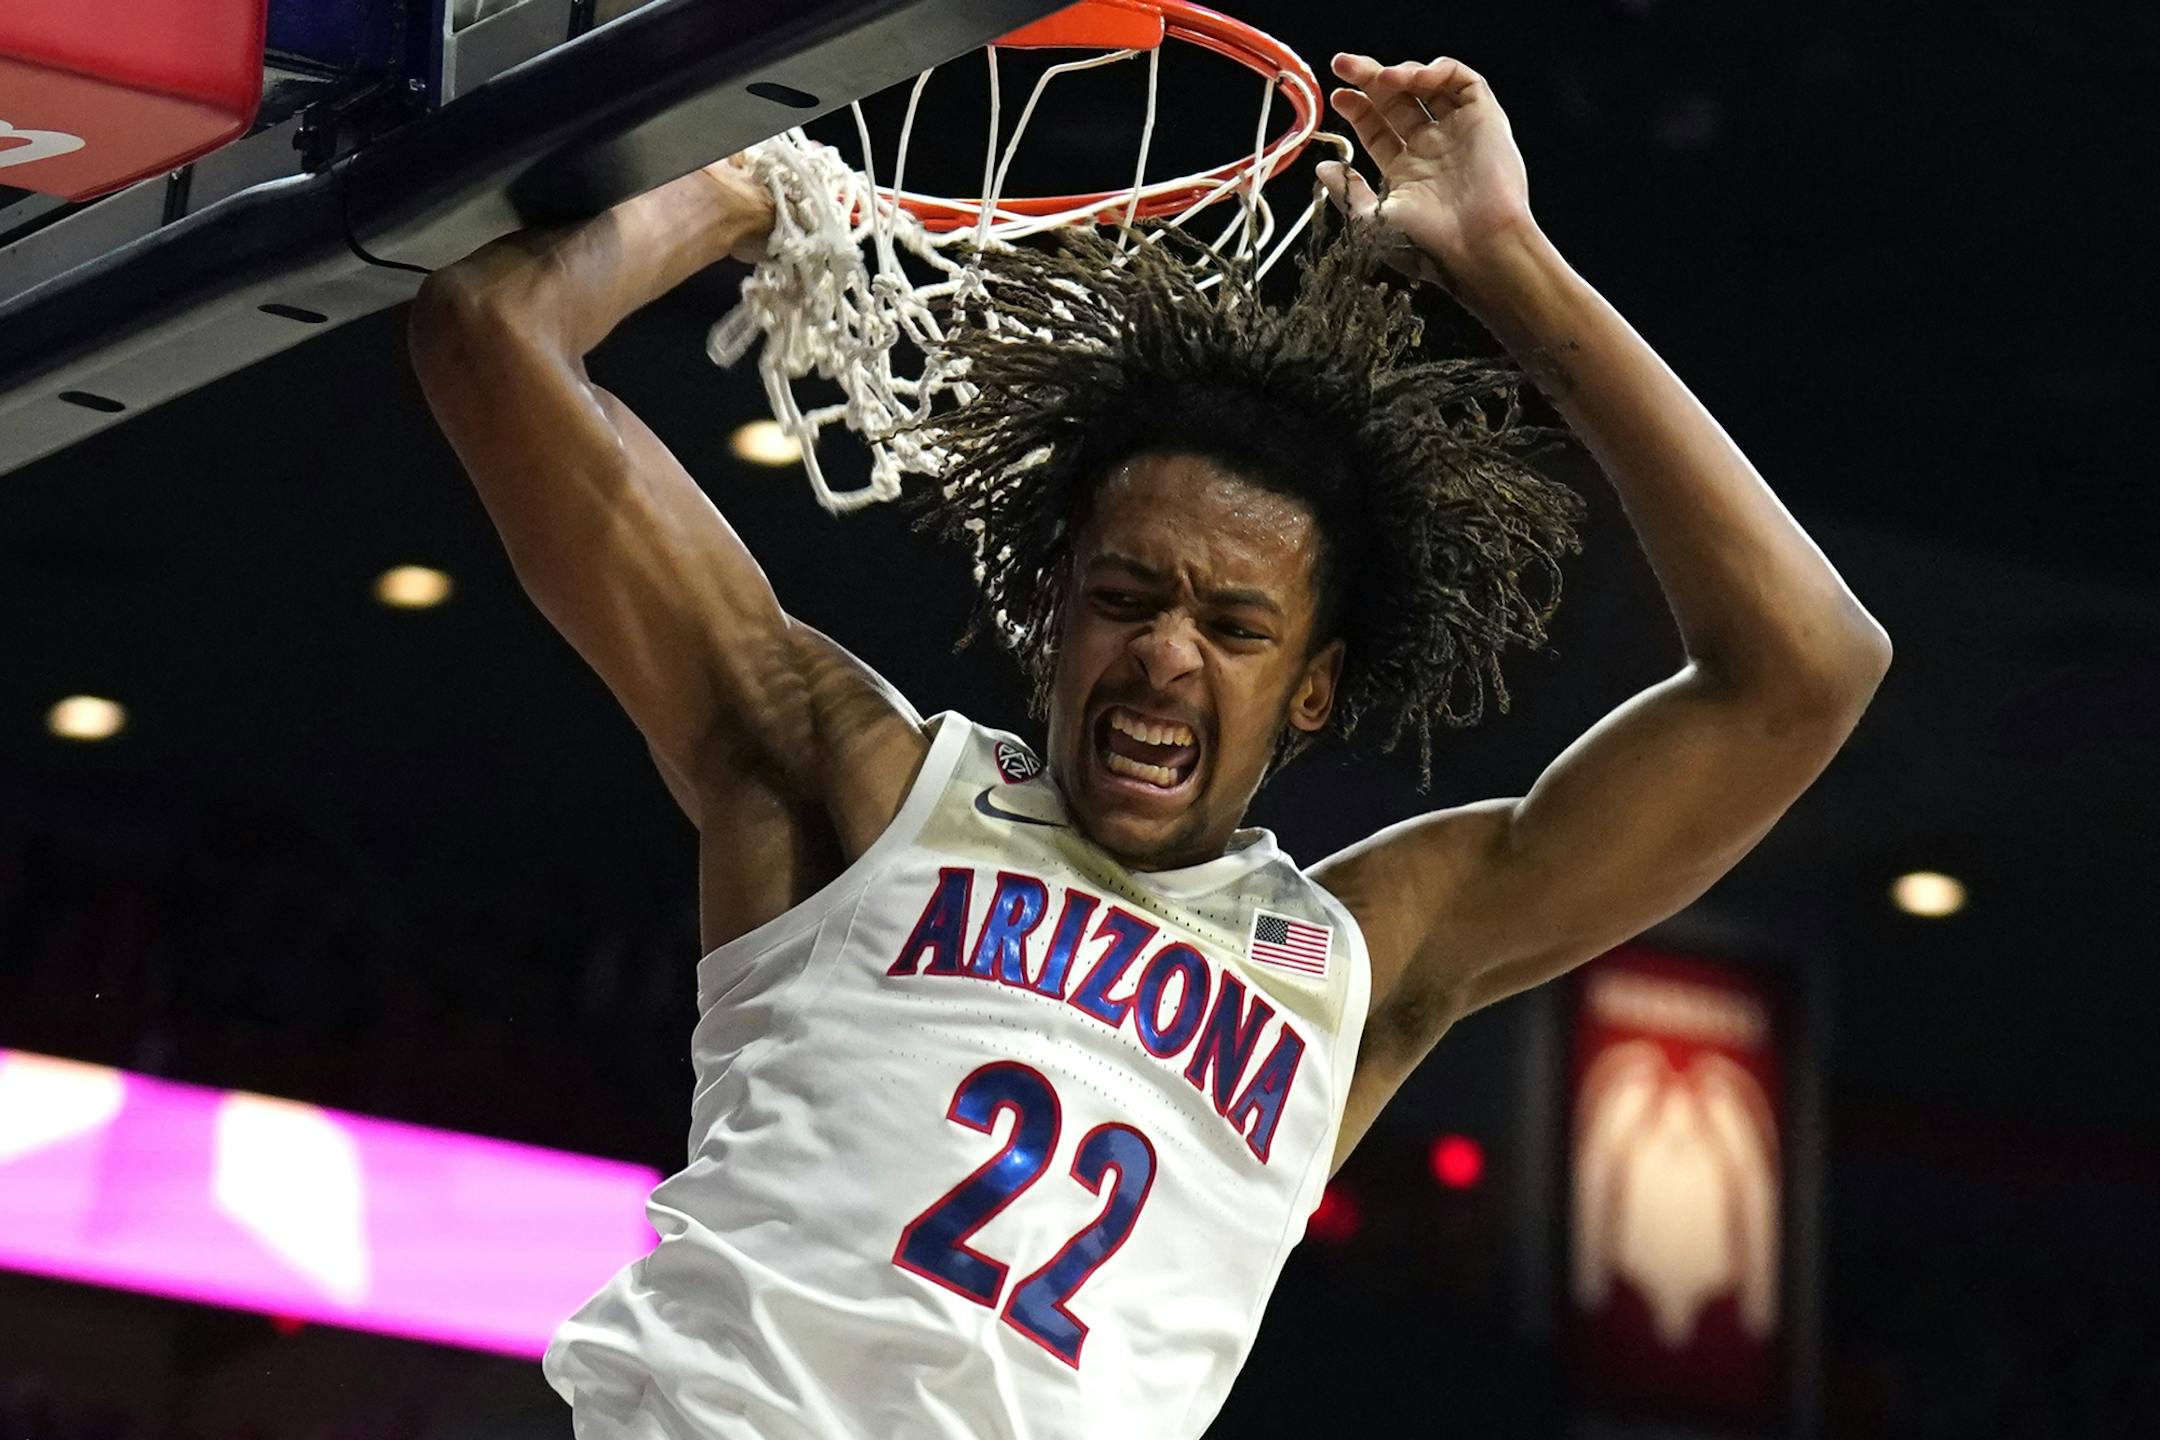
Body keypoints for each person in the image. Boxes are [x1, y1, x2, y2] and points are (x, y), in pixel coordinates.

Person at [407, 49, 1889, 1440]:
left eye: (1236, 627)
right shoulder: (858, 779)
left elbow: (1807, 672)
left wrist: (1507, 259)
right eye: (1126, 597)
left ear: (1313, 690)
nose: (1168, 650)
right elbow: (490, 336)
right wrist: (746, 190)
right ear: (1056, 618)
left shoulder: (1355, 963)